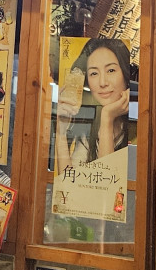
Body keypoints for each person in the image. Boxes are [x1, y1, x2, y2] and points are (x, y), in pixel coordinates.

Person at [55, 37, 133, 172]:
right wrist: (60, 132)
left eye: (111, 70)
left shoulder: (136, 125)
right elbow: (68, 181)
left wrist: (107, 117)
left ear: (126, 73)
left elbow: (107, 180)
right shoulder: (88, 126)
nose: (102, 83)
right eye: (94, 73)